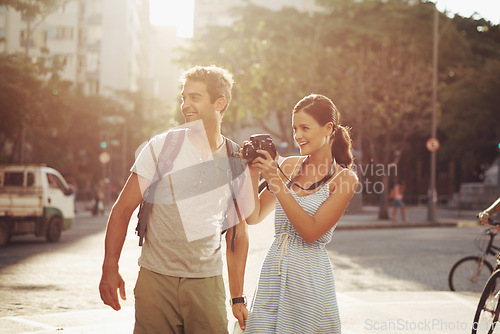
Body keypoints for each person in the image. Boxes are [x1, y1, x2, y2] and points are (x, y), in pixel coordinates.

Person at [99, 65, 250, 333]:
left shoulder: (235, 160)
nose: (185, 105)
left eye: (194, 97)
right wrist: (110, 268)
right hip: (156, 280)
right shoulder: (162, 147)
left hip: (207, 282)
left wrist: (237, 297)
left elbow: (237, 234)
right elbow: (122, 209)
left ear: (219, 103)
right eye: (183, 97)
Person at [243, 94, 359, 333]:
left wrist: (276, 182)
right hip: (272, 274)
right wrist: (253, 173)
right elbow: (253, 217)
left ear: (328, 128)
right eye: (295, 128)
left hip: (309, 278)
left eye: (305, 128)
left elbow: (311, 232)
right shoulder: (288, 166)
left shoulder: (345, 179)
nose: (298, 135)